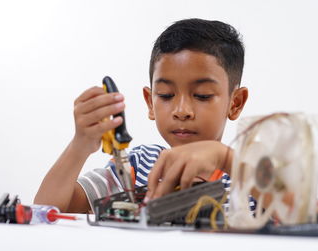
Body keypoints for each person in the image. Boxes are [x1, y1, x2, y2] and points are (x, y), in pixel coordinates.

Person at [34, 18, 249, 213]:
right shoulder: (138, 165)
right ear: (150, 102)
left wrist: (226, 159)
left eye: (202, 96)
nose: (182, 111)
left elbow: (283, 206)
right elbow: (48, 210)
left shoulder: (251, 178)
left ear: (235, 103)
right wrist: (80, 146)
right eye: (166, 95)